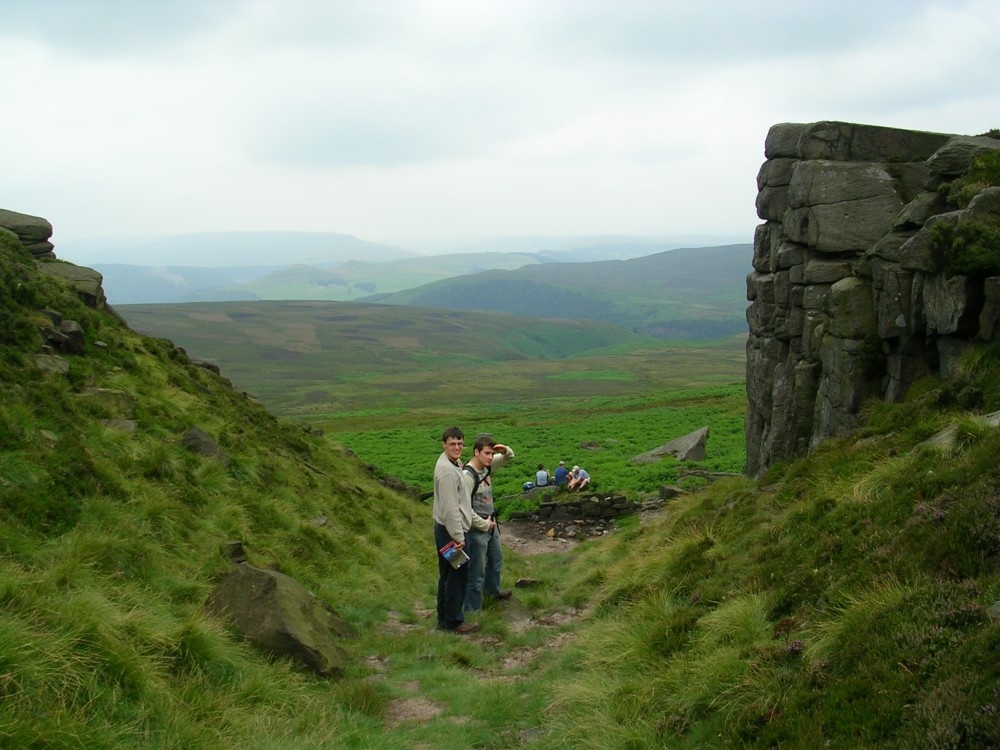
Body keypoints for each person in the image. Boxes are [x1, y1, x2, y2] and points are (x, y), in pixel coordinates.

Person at [433, 427, 492, 634]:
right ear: (444, 445)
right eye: (452, 444)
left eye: (460, 443)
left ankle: (444, 619)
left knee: (447, 575)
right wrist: (458, 537)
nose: (457, 447)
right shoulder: (448, 471)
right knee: (456, 576)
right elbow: (450, 509)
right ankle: (454, 622)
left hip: (445, 530)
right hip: (451, 533)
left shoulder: (452, 463)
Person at [463, 435, 515, 613]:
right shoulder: (467, 476)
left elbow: (509, 457)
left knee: (496, 559)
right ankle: (472, 611)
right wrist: (484, 525)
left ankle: (492, 592)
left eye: (492, 454)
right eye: (487, 453)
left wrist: (503, 449)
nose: (491, 457)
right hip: (477, 528)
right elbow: (464, 510)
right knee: (476, 572)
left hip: (490, 523)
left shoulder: (487, 467)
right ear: (476, 452)